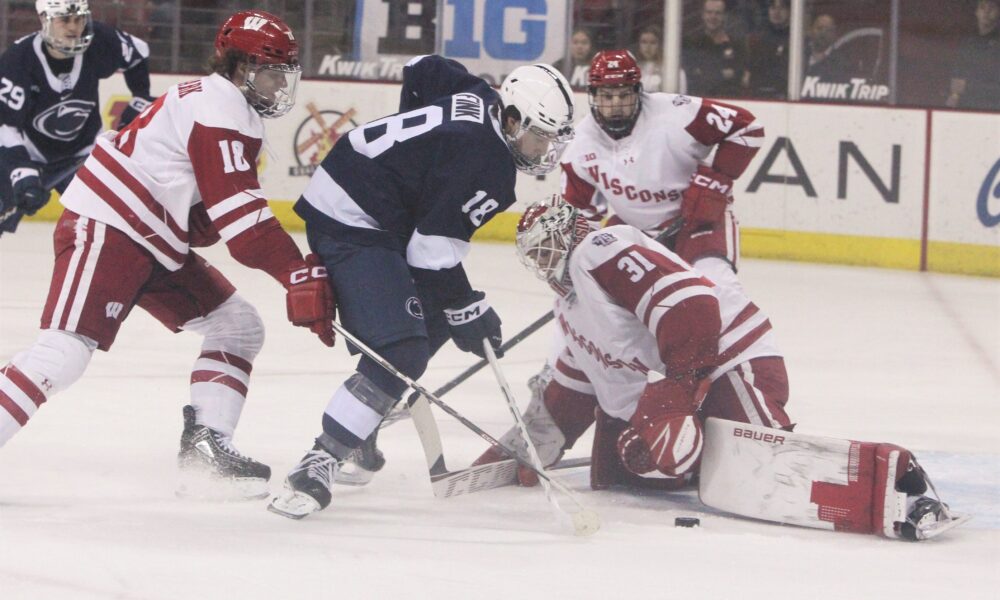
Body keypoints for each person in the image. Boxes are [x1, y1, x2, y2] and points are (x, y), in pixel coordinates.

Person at [0, 11, 336, 500]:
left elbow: (211, 213)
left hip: (150, 237)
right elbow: (244, 227)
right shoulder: (220, 107)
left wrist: (277, 262)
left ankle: (207, 449)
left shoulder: (225, 106)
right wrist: (297, 273)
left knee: (237, 326)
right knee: (64, 352)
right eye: (270, 69)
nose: (278, 83)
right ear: (240, 65)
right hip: (110, 225)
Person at [267, 55, 576, 519]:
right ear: (511, 119)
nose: (546, 149)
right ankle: (321, 460)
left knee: (432, 321)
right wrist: (469, 309)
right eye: (541, 134)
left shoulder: (478, 96)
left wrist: (412, 174)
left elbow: (423, 68)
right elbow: (431, 256)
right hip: (350, 220)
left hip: (357, 190)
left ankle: (364, 424)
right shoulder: (488, 165)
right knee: (404, 353)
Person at [473, 197, 790, 490]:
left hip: (729, 358)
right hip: (684, 379)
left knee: (755, 457)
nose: (543, 262)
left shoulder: (597, 249)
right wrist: (537, 439)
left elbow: (691, 306)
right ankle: (701, 459)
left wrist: (672, 396)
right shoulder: (569, 307)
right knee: (627, 466)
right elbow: (579, 384)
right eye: (535, 256)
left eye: (546, 248)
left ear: (571, 232)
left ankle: (785, 458)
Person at [0, 0, 154, 236]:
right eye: (65, 20)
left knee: (114, 228)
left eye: (79, 19)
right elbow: (6, 127)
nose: (74, 27)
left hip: (82, 157)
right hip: (31, 156)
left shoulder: (100, 41)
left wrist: (141, 97)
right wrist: (23, 173)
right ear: (44, 20)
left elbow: (138, 51)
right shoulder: (18, 61)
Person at [683, 0, 747, 98]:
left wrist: (708, 73)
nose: (713, 17)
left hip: (729, 100)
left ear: (724, 16)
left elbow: (739, 76)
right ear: (703, 15)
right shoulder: (692, 43)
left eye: (718, 13)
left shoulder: (736, 45)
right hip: (701, 101)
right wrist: (722, 74)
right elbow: (693, 76)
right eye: (709, 12)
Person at [946, 0, 1000, 110]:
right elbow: (959, 74)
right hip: (969, 104)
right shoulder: (968, 43)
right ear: (976, 12)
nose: (987, 12)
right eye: (983, 7)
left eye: (992, 8)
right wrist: (954, 96)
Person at [745, 0, 790, 98]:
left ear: (789, 11)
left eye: (781, 8)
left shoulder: (794, 38)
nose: (776, 12)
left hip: (784, 94)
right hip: (758, 93)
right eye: (773, 8)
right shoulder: (758, 37)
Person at [633, 25, 687, 94]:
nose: (648, 47)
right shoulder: (633, 69)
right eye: (644, 42)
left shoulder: (672, 71)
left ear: (660, 45)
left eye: (653, 42)